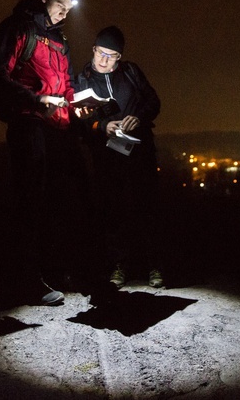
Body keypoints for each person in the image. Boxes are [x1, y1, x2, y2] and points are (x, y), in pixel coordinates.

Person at [0, 0, 87, 306]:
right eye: (60, 6)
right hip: (29, 125)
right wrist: (34, 101)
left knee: (58, 202)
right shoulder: (19, 28)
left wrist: (77, 102)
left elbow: (66, 82)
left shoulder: (59, 40)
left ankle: (53, 270)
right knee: (30, 202)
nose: (63, 14)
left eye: (68, 9)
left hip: (58, 129)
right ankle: (27, 279)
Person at [72, 26, 163, 288]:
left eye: (112, 56)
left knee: (147, 207)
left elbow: (153, 102)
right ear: (93, 50)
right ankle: (118, 266)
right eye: (101, 53)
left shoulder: (131, 73)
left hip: (139, 151)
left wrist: (139, 117)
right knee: (113, 210)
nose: (104, 60)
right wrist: (102, 127)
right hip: (107, 155)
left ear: (119, 57)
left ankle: (154, 265)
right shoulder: (83, 81)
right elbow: (79, 122)